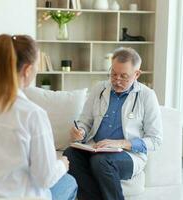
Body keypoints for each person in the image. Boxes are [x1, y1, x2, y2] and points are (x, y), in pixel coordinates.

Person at [0, 34, 77, 200]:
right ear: (27, 70)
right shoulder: (33, 115)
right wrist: (62, 164)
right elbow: (45, 178)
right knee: (69, 182)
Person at [63, 47, 163, 200]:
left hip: (128, 155)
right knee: (70, 154)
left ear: (137, 74)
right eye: (113, 74)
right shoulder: (100, 89)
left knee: (101, 161)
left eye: (124, 76)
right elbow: (85, 121)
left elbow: (155, 140)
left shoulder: (147, 96)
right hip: (96, 148)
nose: (117, 80)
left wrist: (121, 143)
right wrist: (80, 131)